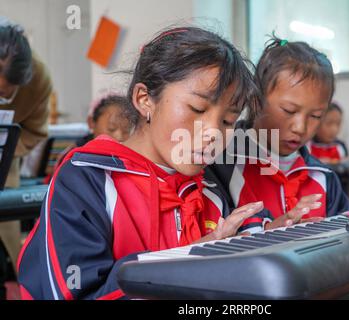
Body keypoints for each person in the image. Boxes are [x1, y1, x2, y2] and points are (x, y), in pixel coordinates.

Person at [17, 27, 318, 300]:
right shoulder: (88, 179)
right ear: (145, 99)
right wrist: (190, 257)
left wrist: (275, 234)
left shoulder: (210, 187)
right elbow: (77, 293)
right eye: (197, 108)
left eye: (228, 120)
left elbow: (240, 242)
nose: (213, 133)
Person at [206, 36, 349, 232]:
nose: (300, 127)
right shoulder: (220, 163)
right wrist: (273, 230)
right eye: (289, 111)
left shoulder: (324, 177)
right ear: (256, 101)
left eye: (316, 116)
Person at [0, 17, 52, 272]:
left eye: (4, 93)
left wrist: (7, 150)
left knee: (6, 224)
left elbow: (34, 131)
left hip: (6, 157)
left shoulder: (39, 79)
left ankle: (19, 276)